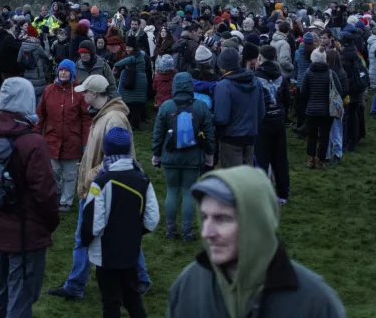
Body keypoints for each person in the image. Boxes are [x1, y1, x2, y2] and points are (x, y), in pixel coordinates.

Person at [167, 167, 345, 317]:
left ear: (256, 223)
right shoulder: (188, 286)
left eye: (221, 219)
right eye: (204, 217)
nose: (207, 233)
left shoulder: (314, 303)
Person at [49, 74, 150, 299]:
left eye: (85, 92)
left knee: (105, 236)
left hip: (104, 188)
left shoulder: (113, 118)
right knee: (110, 236)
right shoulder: (104, 115)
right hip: (100, 186)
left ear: (94, 93)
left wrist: (90, 175)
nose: (82, 95)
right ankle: (77, 285)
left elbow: (118, 157)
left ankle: (138, 279)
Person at [0, 78, 60, 318]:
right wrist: (51, 222)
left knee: (2, 286)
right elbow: (45, 192)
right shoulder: (32, 142)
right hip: (27, 230)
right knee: (22, 295)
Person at [82, 127, 160, 318]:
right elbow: (152, 218)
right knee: (132, 298)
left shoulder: (101, 181)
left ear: (105, 150)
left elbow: (93, 223)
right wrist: (134, 232)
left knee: (110, 301)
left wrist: (85, 241)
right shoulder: (142, 178)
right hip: (131, 249)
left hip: (105, 252)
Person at [152, 72, 214, 241]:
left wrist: (156, 154)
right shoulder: (201, 106)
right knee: (188, 192)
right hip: (193, 157)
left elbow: (158, 134)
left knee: (171, 191)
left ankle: (170, 230)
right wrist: (210, 154)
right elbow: (209, 134)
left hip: (170, 156)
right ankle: (187, 231)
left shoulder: (166, 106)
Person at [35, 59, 90, 212]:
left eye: (66, 71)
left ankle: (66, 201)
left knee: (70, 174)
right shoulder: (49, 90)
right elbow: (40, 115)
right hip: (51, 139)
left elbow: (86, 119)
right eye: (61, 70)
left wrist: (86, 142)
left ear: (72, 73)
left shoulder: (79, 93)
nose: (63, 73)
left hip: (72, 140)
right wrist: (36, 134)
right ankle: (55, 194)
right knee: (53, 171)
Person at [213, 47, 265, 168]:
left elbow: (221, 118)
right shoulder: (255, 81)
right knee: (247, 175)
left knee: (232, 176)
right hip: (250, 136)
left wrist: (210, 119)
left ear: (222, 67)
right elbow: (261, 112)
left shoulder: (224, 85)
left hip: (230, 139)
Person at [254, 45, 291, 202]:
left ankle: (262, 194)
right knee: (280, 158)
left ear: (260, 58)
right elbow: (287, 99)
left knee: (261, 159)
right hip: (278, 119)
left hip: (262, 121)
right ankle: (283, 193)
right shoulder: (281, 77)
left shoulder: (255, 78)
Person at [297, 48, 343, 170]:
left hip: (311, 109)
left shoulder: (308, 73)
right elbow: (339, 89)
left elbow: (303, 91)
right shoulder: (330, 73)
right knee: (324, 136)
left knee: (312, 135)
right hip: (327, 110)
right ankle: (320, 160)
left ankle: (310, 159)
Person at [114, 36, 148, 129]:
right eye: (127, 47)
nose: (127, 49)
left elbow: (124, 62)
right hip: (136, 81)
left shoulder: (135, 56)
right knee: (133, 103)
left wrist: (115, 65)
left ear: (134, 48)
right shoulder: (139, 55)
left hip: (137, 82)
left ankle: (134, 124)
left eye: (129, 47)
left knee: (134, 104)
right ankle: (133, 123)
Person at [17, 25, 49, 105]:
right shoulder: (37, 47)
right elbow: (46, 55)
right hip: (38, 74)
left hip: (27, 74)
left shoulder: (23, 46)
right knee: (39, 96)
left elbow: (18, 60)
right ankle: (38, 111)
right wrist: (46, 44)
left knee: (29, 96)